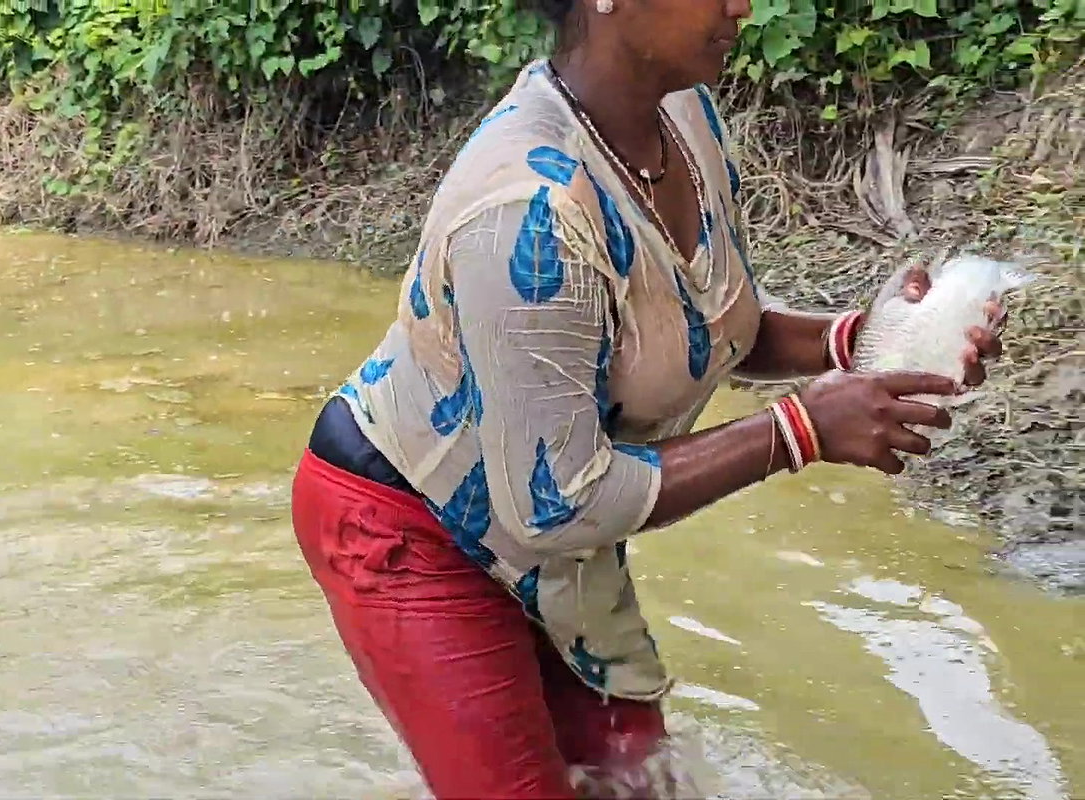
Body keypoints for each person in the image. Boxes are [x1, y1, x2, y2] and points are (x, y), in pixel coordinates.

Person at [289, 0, 1007, 797]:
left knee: (640, 785)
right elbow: (558, 503)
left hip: (554, 514)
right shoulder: (528, 213)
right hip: (411, 525)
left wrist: (864, 341)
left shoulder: (682, 115)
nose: (742, 5)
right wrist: (801, 430)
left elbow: (707, 329)